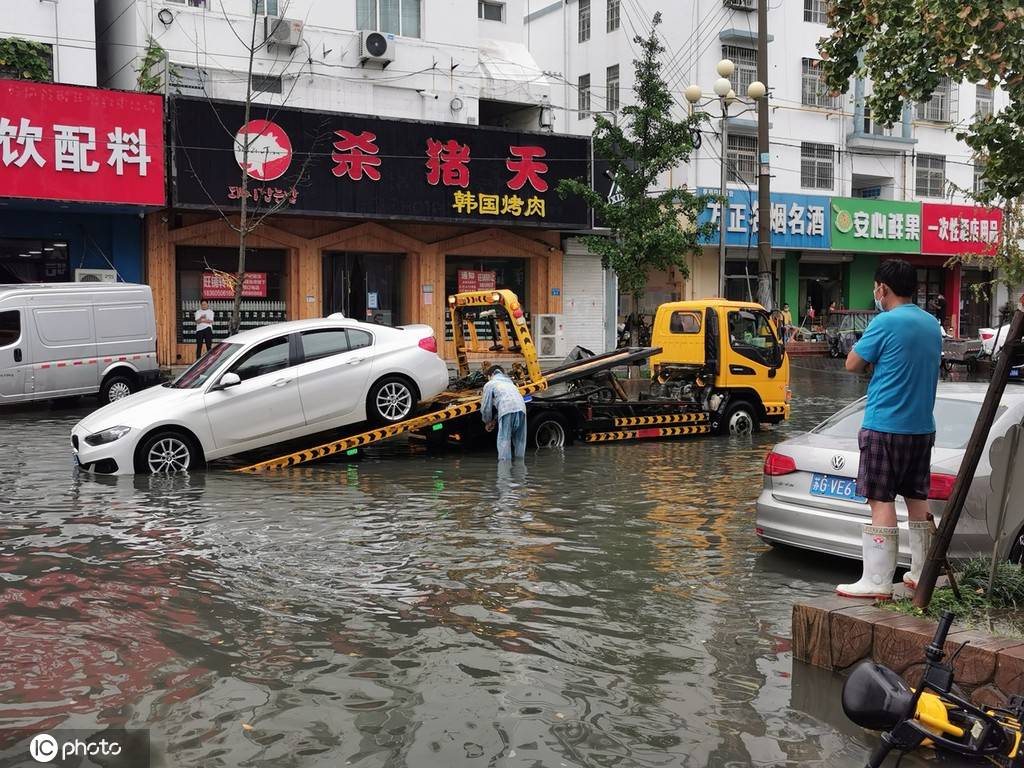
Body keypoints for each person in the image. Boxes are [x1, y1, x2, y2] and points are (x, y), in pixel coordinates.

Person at [837, 259, 942, 599]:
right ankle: (920, 574)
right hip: (922, 427)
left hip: (884, 426)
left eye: (876, 287)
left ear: (882, 289)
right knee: (917, 499)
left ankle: (878, 582)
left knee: (880, 499)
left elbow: (852, 363)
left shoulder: (885, 321)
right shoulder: (931, 324)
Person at [480, 365, 527, 461]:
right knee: (520, 441)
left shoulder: (490, 384)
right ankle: (520, 469)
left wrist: (487, 421)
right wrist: (494, 420)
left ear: (491, 375)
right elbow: (506, 401)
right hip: (522, 408)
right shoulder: (510, 383)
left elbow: (486, 407)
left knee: (504, 442)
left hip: (506, 409)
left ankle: (504, 472)